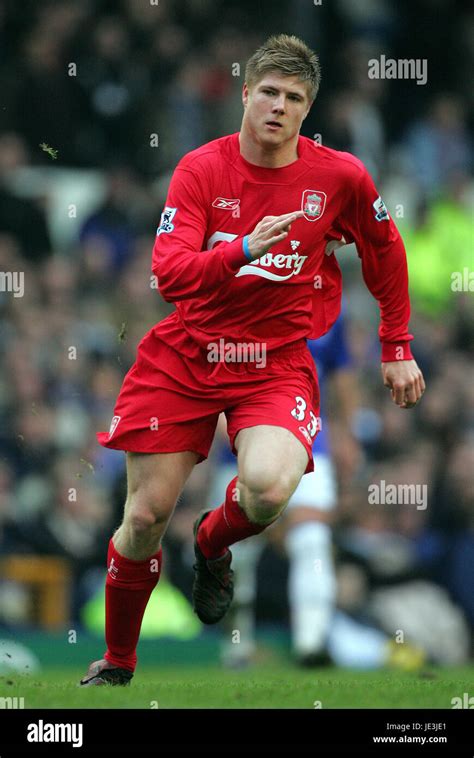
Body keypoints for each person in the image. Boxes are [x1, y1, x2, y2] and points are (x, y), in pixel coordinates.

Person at [80, 34, 425, 686]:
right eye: (268, 91)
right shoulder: (200, 171)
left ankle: (211, 545)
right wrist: (239, 251)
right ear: (245, 94)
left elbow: (385, 249)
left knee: (269, 488)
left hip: (274, 364)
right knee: (144, 518)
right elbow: (169, 272)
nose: (278, 105)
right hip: (186, 355)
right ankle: (118, 663)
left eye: (294, 97)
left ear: (307, 108)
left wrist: (396, 345)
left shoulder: (339, 176)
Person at [213, 310, 360, 667]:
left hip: (310, 440)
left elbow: (340, 372)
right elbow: (210, 373)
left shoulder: (328, 307)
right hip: (244, 438)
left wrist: (350, 434)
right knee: (238, 549)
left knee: (311, 538)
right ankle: (237, 646)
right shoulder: (236, 294)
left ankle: (311, 643)